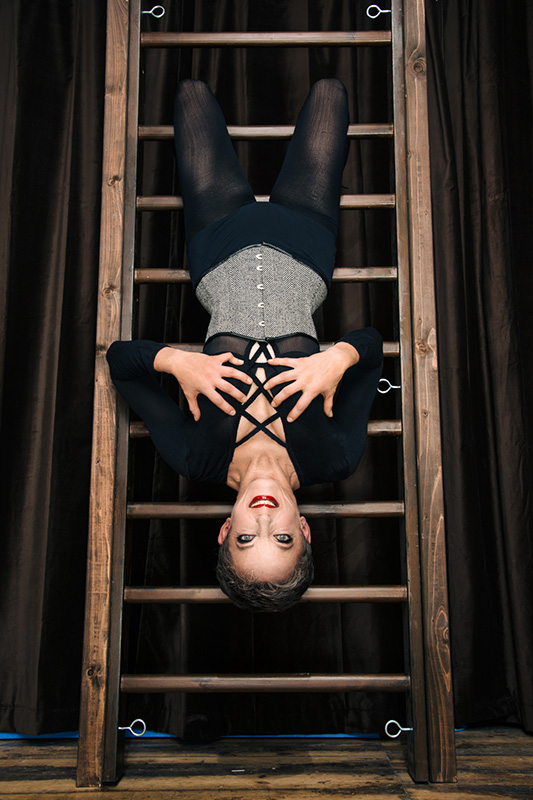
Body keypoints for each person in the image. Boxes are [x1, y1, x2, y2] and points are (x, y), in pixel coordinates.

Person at [107, 78, 383, 612]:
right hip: (306, 240)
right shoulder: (334, 457)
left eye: (245, 538)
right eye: (282, 537)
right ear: (304, 529)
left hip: (217, 242)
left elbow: (121, 364)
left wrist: (176, 362)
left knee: (189, 94)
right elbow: (372, 348)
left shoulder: (195, 457)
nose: (263, 516)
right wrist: (338, 358)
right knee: (330, 93)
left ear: (224, 532)